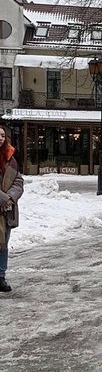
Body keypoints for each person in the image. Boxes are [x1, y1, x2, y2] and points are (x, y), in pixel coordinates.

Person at [0, 124, 24, 294]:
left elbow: (18, 181)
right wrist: (3, 198)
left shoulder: (11, 158)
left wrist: (10, 198)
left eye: (3, 135)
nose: (0, 138)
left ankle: (1, 276)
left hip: (6, 211)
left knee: (3, 244)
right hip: (3, 204)